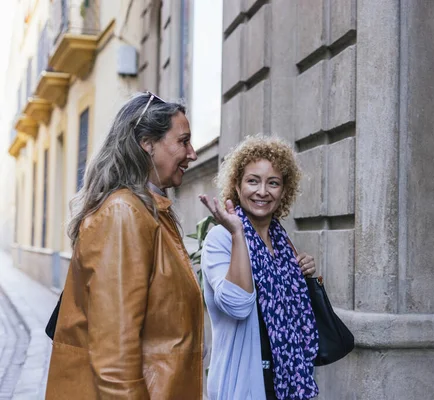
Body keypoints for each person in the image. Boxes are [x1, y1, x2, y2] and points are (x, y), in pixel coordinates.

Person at [45, 92, 204, 400]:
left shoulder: (148, 211)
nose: (193, 153)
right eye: (183, 141)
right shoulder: (124, 214)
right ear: (147, 142)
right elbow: (115, 361)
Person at [200, 135, 319, 400]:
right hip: (246, 384)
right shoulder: (221, 238)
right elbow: (238, 305)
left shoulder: (282, 241)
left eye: (273, 183)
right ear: (237, 185)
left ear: (284, 191)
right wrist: (238, 234)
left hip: (288, 383)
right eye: (253, 180)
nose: (262, 191)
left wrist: (305, 272)